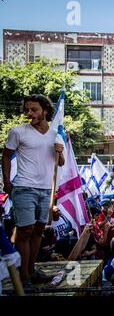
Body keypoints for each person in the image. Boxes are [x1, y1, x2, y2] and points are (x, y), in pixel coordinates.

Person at [1, 94, 65, 287]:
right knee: (24, 231)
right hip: (24, 188)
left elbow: (60, 162)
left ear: (45, 110)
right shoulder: (18, 132)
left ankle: (31, 269)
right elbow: (5, 156)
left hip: (46, 189)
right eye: (27, 109)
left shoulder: (55, 134)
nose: (29, 113)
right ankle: (24, 275)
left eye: (34, 109)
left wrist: (59, 151)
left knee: (38, 231)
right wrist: (7, 182)